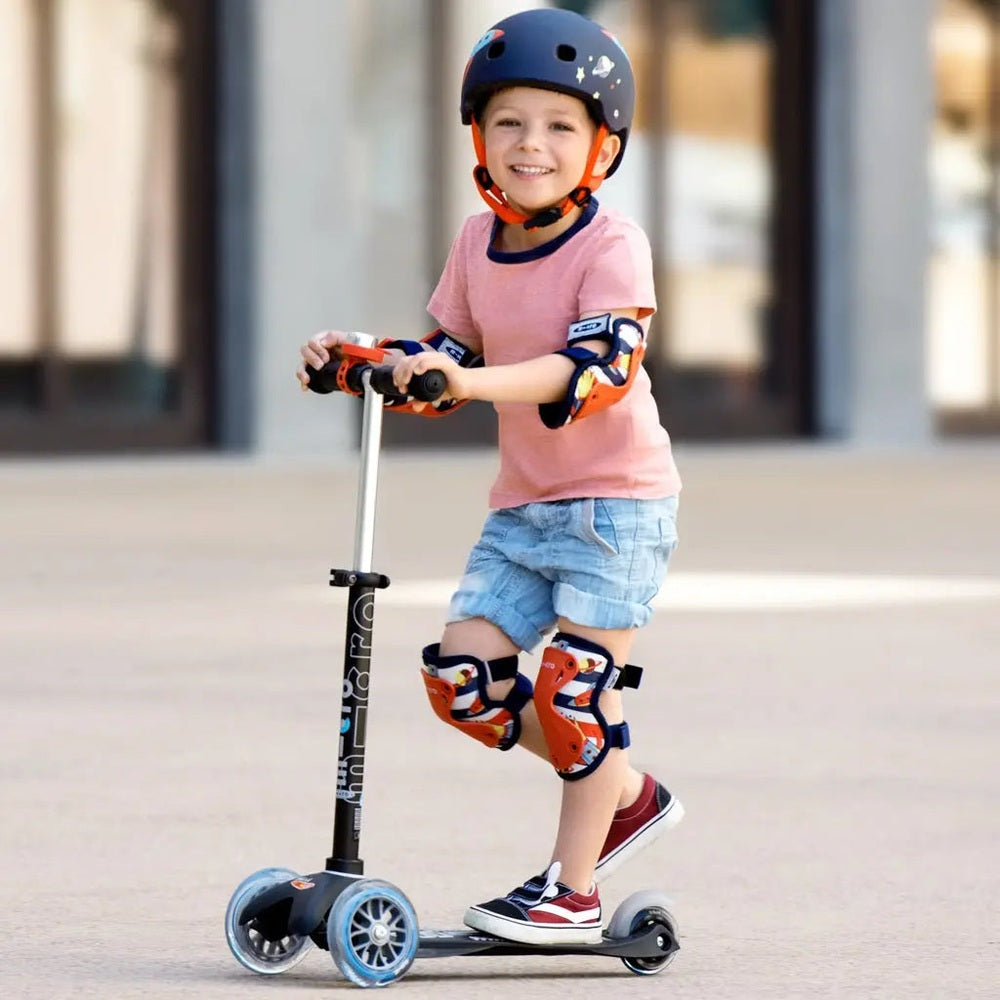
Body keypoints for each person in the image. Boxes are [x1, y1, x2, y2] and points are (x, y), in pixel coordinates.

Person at [297, 7, 683, 947]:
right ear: (478, 134)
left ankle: (574, 889)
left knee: (576, 691)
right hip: (524, 508)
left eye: (559, 126)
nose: (532, 145)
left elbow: (594, 369)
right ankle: (622, 791)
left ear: (601, 146)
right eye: (509, 122)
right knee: (465, 683)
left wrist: (462, 379)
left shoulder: (610, 247)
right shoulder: (477, 242)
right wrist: (362, 357)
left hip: (617, 507)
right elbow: (441, 358)